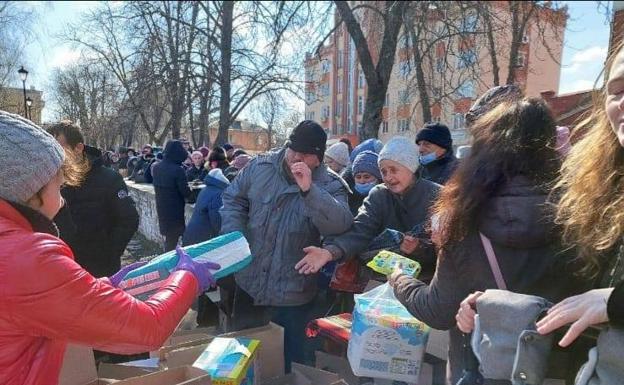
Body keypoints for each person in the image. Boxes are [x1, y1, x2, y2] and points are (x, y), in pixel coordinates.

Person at [0, 111, 221, 385]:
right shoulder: (25, 257)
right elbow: (148, 328)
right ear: (28, 190)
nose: (62, 201)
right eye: (58, 187)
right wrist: (187, 277)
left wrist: (102, 281)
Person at [388, 98, 582, 384]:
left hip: (482, 367)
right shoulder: (582, 215)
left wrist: (399, 280)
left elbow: (438, 311)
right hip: (556, 370)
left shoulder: (463, 220)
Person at [219, 120, 353, 372]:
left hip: (293, 294)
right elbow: (232, 199)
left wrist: (309, 190)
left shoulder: (331, 184)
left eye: (305, 154)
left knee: (291, 365)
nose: (296, 158)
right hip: (250, 283)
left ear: (318, 158)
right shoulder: (260, 167)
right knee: (239, 362)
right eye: (293, 150)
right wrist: (234, 235)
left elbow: (341, 225)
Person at [533, 43, 624, 349]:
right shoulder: (595, 186)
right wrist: (498, 304)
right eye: (617, 91)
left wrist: (616, 303)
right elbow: (575, 295)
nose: (622, 102)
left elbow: (605, 302)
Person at [298, 137, 439, 281]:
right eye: (383, 172)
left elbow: (450, 249)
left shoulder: (438, 196)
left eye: (393, 170)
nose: (388, 177)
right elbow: (360, 230)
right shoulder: (379, 195)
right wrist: (329, 252)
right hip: (383, 280)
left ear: (411, 167)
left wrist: (419, 248)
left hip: (425, 285)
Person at [47, 121, 139, 278]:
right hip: (62, 271)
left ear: (79, 148)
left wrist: (110, 253)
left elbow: (129, 219)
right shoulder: (50, 180)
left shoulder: (109, 178)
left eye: (59, 149)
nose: (53, 155)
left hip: (101, 272)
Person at [152, 140, 192, 251]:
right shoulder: (178, 170)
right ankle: (168, 264)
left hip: (162, 207)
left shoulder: (156, 167)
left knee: (170, 239)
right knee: (173, 240)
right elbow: (185, 192)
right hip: (175, 209)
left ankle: (168, 261)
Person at [183, 168, 230, 247]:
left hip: (193, 232)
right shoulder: (218, 194)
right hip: (204, 236)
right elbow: (216, 217)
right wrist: (221, 235)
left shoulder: (205, 189)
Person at [347, 150, 382, 215]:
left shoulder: (385, 200)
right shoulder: (347, 200)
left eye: (366, 177)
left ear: (377, 178)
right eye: (358, 177)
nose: (362, 181)